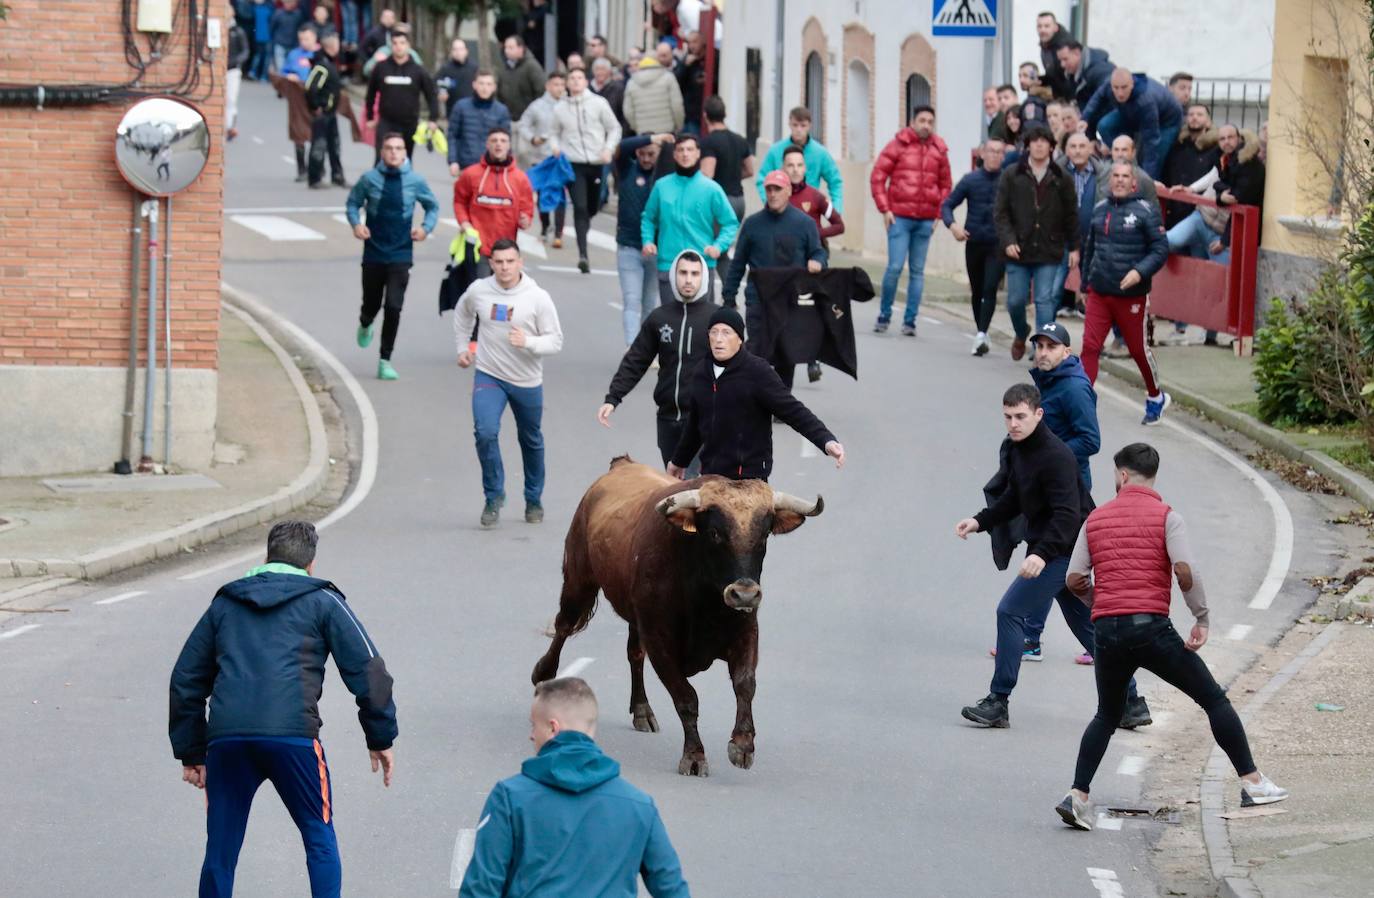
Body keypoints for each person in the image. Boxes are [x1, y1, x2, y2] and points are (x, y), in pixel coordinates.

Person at [1056, 444, 1289, 831]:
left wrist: (1103, 602)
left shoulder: (1095, 518)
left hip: (1108, 632)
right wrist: (1201, 617)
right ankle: (1253, 783)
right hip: (1151, 629)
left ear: (1123, 475)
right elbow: (1185, 570)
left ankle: (1077, 795)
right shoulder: (1168, 517)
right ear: (1153, 477)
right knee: (1212, 698)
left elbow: (1074, 578)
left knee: (1106, 714)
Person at [169, 520, 398, 898]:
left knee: (221, 849)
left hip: (228, 740)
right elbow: (369, 669)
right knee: (318, 835)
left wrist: (192, 751)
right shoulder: (324, 601)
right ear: (311, 565)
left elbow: (185, 679)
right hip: (293, 739)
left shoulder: (225, 604)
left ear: (266, 557)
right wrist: (380, 736)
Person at [954, 383, 1123, 729]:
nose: (1013, 424)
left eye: (1020, 416)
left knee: (1010, 611)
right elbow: (1015, 498)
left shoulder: (1056, 456)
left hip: (1066, 548)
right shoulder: (1019, 449)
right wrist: (980, 520)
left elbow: (1068, 514)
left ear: (1038, 414)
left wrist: (1042, 556)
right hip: (1055, 547)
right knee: (1088, 629)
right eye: (1008, 417)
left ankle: (998, 701)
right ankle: (1132, 702)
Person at [457, 677, 690, 897]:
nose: (530, 735)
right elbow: (671, 888)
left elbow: (481, 888)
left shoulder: (510, 797)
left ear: (552, 728)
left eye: (533, 726)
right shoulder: (639, 805)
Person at [454, 240, 564, 528]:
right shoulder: (480, 290)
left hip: (527, 380)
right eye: (499, 262)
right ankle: (494, 495)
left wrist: (527, 342)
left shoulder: (537, 297)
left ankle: (533, 498)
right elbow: (462, 313)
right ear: (491, 263)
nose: (504, 267)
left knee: (530, 440)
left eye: (510, 261)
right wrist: (462, 347)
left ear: (520, 262)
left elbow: (555, 340)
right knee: (485, 432)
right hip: (489, 374)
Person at [667, 306, 844, 481]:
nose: (719, 339)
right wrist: (678, 461)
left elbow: (793, 411)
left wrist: (826, 441)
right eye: (714, 332)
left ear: (739, 339)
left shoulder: (757, 372)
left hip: (750, 478)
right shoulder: (701, 373)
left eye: (726, 333)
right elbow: (694, 426)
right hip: (711, 476)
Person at [600, 249, 714, 463]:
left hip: (704, 421)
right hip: (668, 419)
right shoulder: (660, 318)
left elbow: (739, 368)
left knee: (689, 486)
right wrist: (613, 397)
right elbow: (636, 360)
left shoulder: (716, 320)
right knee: (674, 485)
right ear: (673, 275)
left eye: (694, 274)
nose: (688, 280)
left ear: (704, 277)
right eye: (683, 273)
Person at [1079, 162, 1171, 424]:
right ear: (1110, 181)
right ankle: (1082, 403)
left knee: (1137, 350)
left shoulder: (1146, 211)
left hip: (1131, 296)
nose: (1119, 181)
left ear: (1134, 182)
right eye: (1115, 176)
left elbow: (1160, 249)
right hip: (1099, 292)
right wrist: (1085, 285)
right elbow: (1090, 249)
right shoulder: (1099, 209)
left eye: (1124, 177)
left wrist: (1140, 272)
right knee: (1089, 347)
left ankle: (1156, 397)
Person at [345, 132, 440, 380]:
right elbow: (353, 203)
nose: (394, 152)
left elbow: (432, 206)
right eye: (389, 148)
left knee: (394, 306)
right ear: (382, 152)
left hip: (401, 251)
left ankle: (385, 360)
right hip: (374, 250)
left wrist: (425, 228)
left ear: (405, 153)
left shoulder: (415, 180)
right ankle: (365, 322)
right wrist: (356, 224)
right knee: (372, 303)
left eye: (399, 148)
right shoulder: (369, 179)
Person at [722, 170, 823, 387]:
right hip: (758, 299)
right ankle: (754, 398)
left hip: (790, 300)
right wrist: (728, 297)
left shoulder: (804, 224)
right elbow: (738, 262)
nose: (773, 193)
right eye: (769, 189)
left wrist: (817, 261)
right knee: (757, 351)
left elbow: (818, 252)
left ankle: (780, 401)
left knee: (786, 352)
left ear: (788, 190)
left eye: (777, 189)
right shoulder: (752, 224)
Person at [994, 126, 1080, 360]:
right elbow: (1001, 213)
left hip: (1049, 249)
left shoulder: (1062, 177)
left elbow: (1072, 214)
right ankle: (1022, 332)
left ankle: (1042, 351)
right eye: (1034, 141)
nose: (1039, 145)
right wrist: (1008, 240)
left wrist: (1074, 247)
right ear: (1028, 145)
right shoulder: (1012, 174)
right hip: (1017, 249)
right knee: (1015, 301)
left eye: (1044, 141)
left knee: (1044, 300)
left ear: (1051, 146)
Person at [870, 105, 951, 337]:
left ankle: (910, 321)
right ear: (912, 122)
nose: (926, 125)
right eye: (922, 120)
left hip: (926, 220)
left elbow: (946, 185)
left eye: (930, 121)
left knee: (917, 271)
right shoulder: (898, 145)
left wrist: (939, 215)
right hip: (899, 218)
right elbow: (877, 177)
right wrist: (885, 209)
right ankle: (884, 315)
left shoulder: (939, 149)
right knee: (894, 267)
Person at [641, 132, 739, 303]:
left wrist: (718, 246)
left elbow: (730, 223)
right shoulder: (661, 186)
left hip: (701, 265)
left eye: (690, 149)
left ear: (698, 153)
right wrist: (648, 240)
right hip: (669, 264)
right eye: (680, 150)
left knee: (702, 325)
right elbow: (649, 218)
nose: (685, 154)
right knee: (671, 324)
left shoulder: (711, 188)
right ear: (674, 154)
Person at [549, 68, 622, 273]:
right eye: (571, 78)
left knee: (592, 206)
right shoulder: (560, 108)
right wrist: (555, 147)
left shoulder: (598, 103)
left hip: (597, 162)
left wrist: (608, 149)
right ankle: (583, 255)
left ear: (585, 81)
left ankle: (586, 222)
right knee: (580, 207)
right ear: (567, 83)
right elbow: (553, 132)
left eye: (579, 78)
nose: (575, 81)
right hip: (574, 163)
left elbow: (614, 128)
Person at [783, 145, 844, 382]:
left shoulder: (815, 196)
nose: (795, 170)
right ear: (783, 168)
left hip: (814, 261)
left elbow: (839, 224)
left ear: (805, 168)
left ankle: (813, 358)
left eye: (799, 165)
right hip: (787, 264)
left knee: (813, 309)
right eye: (790, 165)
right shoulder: (778, 196)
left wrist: (816, 234)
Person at [941, 139, 1006, 356]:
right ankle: (981, 332)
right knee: (977, 289)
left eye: (999, 152)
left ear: (1003, 156)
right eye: (991, 151)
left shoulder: (1008, 181)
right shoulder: (971, 179)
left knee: (989, 288)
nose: (995, 155)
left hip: (998, 244)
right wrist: (953, 226)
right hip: (974, 241)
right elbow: (947, 205)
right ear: (983, 154)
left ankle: (981, 334)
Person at [612, 132, 675, 343]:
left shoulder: (664, 178)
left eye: (651, 154)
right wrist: (652, 139)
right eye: (642, 154)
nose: (646, 159)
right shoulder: (627, 168)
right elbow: (622, 146)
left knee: (649, 302)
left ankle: (645, 349)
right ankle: (631, 345)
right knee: (631, 299)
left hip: (655, 248)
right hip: (628, 246)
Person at [1083, 68, 1183, 180]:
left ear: (1132, 84)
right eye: (1116, 88)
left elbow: (1151, 142)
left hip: (1166, 122)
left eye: (1124, 87)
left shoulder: (1146, 100)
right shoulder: (1109, 85)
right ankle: (1126, 162)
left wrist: (1146, 180)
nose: (1120, 93)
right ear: (1111, 85)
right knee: (1104, 125)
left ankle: (1145, 181)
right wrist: (1084, 119)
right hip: (1132, 109)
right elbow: (1096, 99)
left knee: (1154, 153)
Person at [453, 128, 534, 262]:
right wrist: (464, 223)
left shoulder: (520, 178)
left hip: (506, 252)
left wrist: (525, 219)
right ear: (487, 144)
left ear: (509, 145)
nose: (498, 144)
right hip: (477, 247)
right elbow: (459, 201)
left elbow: (526, 208)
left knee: (503, 283)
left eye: (503, 141)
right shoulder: (471, 174)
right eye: (494, 140)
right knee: (479, 283)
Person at [364, 29, 439, 161]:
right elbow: (370, 93)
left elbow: (431, 95)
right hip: (386, 122)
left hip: (409, 123)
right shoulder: (381, 68)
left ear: (408, 46)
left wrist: (433, 119)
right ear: (390, 46)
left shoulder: (418, 70)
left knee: (405, 161)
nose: (398, 46)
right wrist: (369, 117)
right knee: (381, 159)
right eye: (395, 43)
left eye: (402, 43)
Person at [757, 106, 844, 216]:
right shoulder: (775, 151)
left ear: (809, 126)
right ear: (789, 124)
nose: (799, 129)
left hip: (810, 211)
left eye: (803, 125)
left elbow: (835, 181)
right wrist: (769, 202)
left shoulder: (820, 153)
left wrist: (836, 209)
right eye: (795, 125)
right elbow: (762, 178)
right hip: (781, 213)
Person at [517, 72, 569, 245]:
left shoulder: (569, 104)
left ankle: (559, 234)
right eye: (556, 84)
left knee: (560, 193)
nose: (559, 88)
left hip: (562, 157)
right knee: (542, 194)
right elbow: (523, 124)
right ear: (548, 86)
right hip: (541, 156)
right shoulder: (537, 106)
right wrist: (533, 138)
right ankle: (546, 226)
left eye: (562, 85)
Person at [1161, 104, 1220, 230]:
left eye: (1199, 115)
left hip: (1200, 212)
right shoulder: (1177, 147)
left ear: (1209, 122)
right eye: (1191, 114)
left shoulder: (1215, 149)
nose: (1194, 118)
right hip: (1174, 210)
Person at [447, 69, 512, 174]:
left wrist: (508, 164)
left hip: (492, 166)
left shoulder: (501, 110)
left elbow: (506, 140)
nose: (484, 88)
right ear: (474, 85)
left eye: (488, 84)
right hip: (466, 165)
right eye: (481, 83)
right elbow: (452, 136)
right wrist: (453, 161)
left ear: (494, 87)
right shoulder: (461, 107)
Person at [305, 31, 346, 188]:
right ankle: (314, 178)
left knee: (334, 145)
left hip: (331, 112)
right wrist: (316, 106)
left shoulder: (330, 63)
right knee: (319, 145)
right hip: (323, 113)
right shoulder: (322, 65)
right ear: (332, 45)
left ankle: (337, 175)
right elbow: (311, 87)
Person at [623, 54, 686, 137]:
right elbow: (677, 105)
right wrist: (679, 125)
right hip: (667, 130)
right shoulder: (669, 78)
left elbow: (628, 111)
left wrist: (637, 127)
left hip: (643, 132)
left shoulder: (631, 82)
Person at [496, 35, 545, 122]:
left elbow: (541, 91)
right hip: (507, 119)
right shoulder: (503, 68)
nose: (506, 51)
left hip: (527, 120)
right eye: (506, 47)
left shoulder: (532, 66)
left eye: (511, 47)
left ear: (520, 49)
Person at [1055, 41, 1114, 112]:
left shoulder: (1101, 72)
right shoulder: (1073, 75)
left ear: (1077, 53)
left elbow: (1109, 103)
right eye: (1060, 60)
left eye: (1065, 59)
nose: (1062, 65)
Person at [676, 30, 711, 132]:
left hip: (708, 111)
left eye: (695, 42)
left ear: (703, 41)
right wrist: (685, 66)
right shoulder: (685, 60)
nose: (691, 46)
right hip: (691, 113)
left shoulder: (714, 56)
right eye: (689, 42)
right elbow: (676, 82)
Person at [435, 38, 477, 118]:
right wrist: (440, 92)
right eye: (455, 49)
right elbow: (436, 84)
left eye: (461, 49)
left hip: (472, 112)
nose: (458, 52)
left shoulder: (474, 68)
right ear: (451, 52)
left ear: (466, 51)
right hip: (453, 113)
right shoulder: (445, 69)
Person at [225, 5, 250, 141]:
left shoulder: (238, 31)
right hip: (221, 70)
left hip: (233, 70)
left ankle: (230, 127)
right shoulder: (219, 28)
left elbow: (245, 51)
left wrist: (236, 61)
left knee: (231, 99)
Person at [1036, 11, 1072, 99]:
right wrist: (1038, 80)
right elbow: (1053, 76)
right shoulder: (1045, 45)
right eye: (1039, 26)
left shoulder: (1065, 46)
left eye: (1047, 26)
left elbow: (1069, 77)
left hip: (1069, 99)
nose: (1042, 30)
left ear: (1055, 28)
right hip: (1059, 97)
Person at [269, 0, 307, 74]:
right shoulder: (278, 13)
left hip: (293, 45)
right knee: (280, 68)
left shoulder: (298, 14)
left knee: (291, 68)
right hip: (280, 44)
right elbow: (272, 27)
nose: (288, 4)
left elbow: (301, 28)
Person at [358, 7, 394, 71]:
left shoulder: (396, 33)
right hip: (377, 66)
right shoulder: (374, 33)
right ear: (381, 18)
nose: (389, 19)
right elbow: (361, 48)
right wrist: (368, 62)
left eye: (391, 17)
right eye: (386, 17)